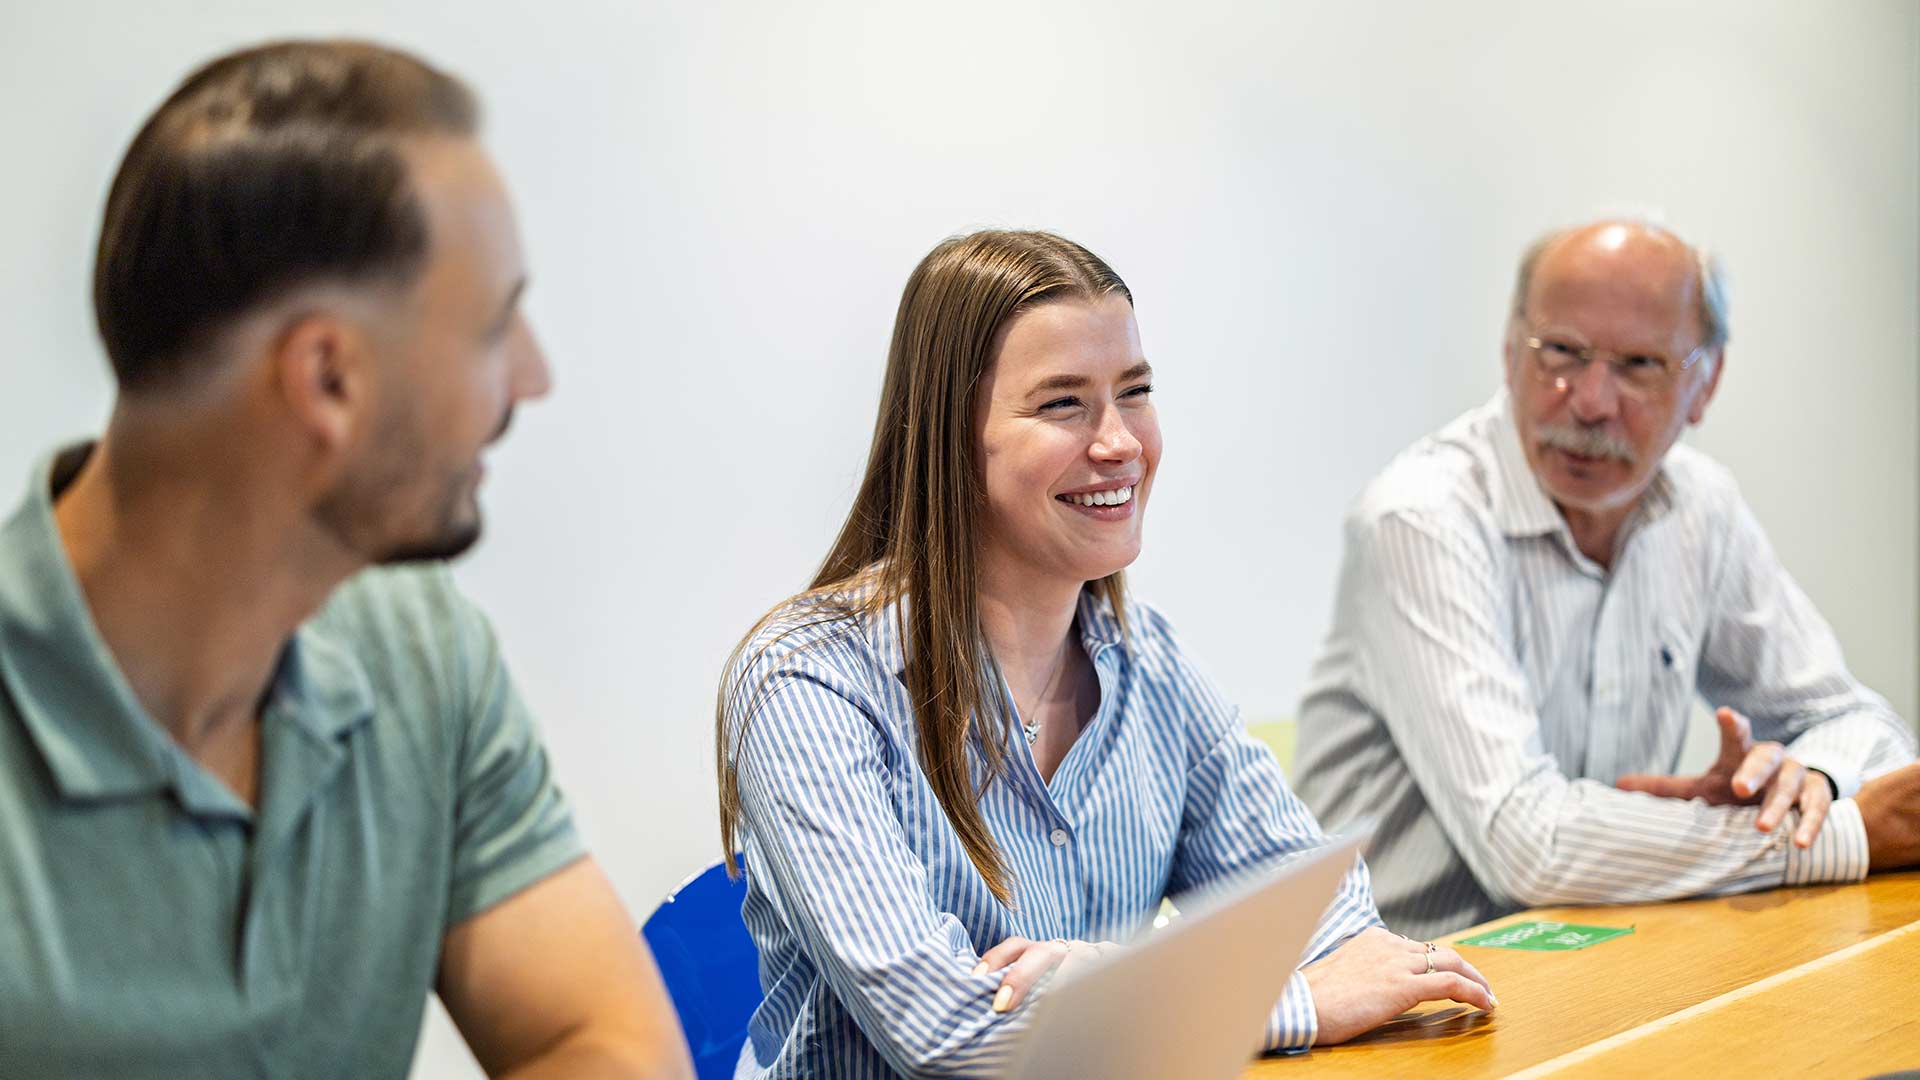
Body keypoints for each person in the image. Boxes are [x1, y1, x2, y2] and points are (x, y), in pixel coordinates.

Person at [0, 40, 693, 1078]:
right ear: (327, 378)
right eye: (495, 325)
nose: (533, 377)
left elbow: (601, 1043)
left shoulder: (423, 651)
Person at [714, 229, 1495, 1078]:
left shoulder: (1145, 660)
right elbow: (950, 1039)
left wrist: (1121, 993)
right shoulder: (808, 682)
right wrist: (1282, 1004)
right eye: (1062, 404)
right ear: (947, 435)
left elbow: (1332, 928)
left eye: (1136, 391)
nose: (1120, 442)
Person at [1293, 218, 1920, 940]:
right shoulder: (1421, 518)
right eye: (1561, 352)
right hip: (1387, 991)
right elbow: (1529, 847)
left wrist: (1806, 790)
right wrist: (1841, 838)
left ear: (1704, 384)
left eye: (1638, 366)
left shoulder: (1700, 509)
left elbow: (1858, 724)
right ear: (1509, 353)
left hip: (1584, 960)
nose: (1590, 401)